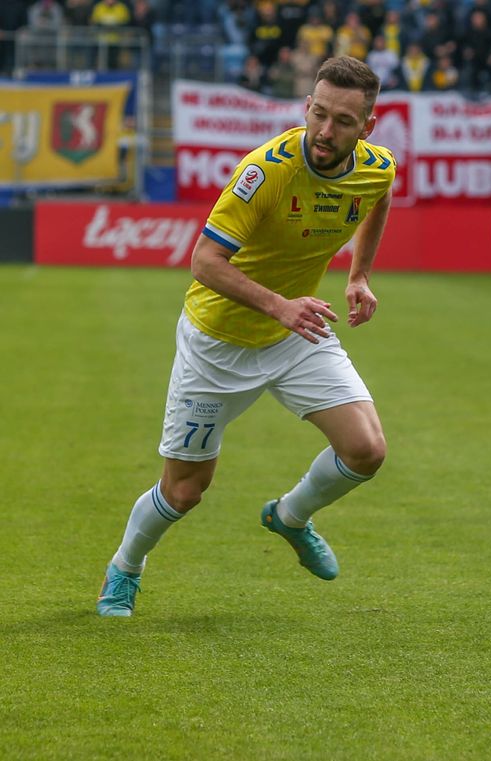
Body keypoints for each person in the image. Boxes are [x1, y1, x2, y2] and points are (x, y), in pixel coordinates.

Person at [96, 57, 397, 617]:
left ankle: (289, 516)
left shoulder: (378, 167)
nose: (326, 132)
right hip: (219, 340)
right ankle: (125, 569)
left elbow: (378, 198)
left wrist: (359, 275)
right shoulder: (267, 170)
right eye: (319, 114)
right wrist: (278, 305)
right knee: (184, 491)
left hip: (293, 332)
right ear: (307, 106)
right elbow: (204, 262)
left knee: (366, 450)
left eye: (344, 121)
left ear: (368, 128)